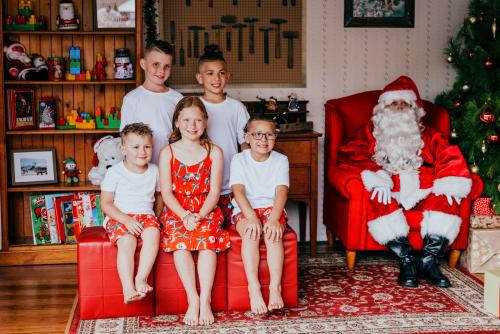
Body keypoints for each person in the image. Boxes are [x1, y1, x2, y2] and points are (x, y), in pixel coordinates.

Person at [338, 76, 472, 288]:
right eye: (394, 103)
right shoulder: (370, 132)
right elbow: (350, 154)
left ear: (414, 109)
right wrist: (375, 175)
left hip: (423, 191)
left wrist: (448, 180)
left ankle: (429, 262)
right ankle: (407, 261)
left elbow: (450, 157)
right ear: (383, 108)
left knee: (447, 196)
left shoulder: (430, 135)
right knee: (377, 194)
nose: (399, 108)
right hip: (391, 189)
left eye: (405, 104)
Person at [159, 96, 230, 326]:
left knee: (207, 241)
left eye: (197, 120)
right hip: (177, 210)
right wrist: (184, 216)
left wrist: (199, 215)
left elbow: (214, 192)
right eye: (186, 120)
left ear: (206, 122)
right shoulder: (167, 153)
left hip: (205, 208)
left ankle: (206, 298)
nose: (192, 125)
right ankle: (193, 298)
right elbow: (167, 194)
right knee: (180, 242)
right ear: (177, 122)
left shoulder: (215, 152)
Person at [230, 116, 289, 314]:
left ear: (275, 137)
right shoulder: (239, 159)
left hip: (271, 209)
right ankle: (253, 287)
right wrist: (251, 217)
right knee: (251, 233)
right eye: (257, 134)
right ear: (247, 137)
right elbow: (238, 191)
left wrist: (273, 219)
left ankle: (275, 287)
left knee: (273, 236)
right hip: (245, 209)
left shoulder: (281, 160)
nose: (263, 140)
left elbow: (281, 192)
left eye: (269, 135)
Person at [100, 123, 161, 304]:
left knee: (153, 233)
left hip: (146, 215)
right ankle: (128, 288)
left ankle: (141, 278)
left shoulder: (155, 171)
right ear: (123, 149)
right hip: (120, 215)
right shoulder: (115, 173)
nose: (142, 152)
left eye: (147, 147)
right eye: (135, 147)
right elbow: (106, 203)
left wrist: (156, 218)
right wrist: (125, 220)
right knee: (127, 241)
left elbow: (159, 196)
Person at [195, 44, 250, 225]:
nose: (216, 78)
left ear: (228, 76)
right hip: (200, 184)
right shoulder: (193, 106)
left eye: (221, 73)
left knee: (231, 225)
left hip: (230, 184)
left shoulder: (236, 107)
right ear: (200, 78)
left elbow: (245, 144)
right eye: (210, 73)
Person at [120, 39, 183, 165]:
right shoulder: (132, 99)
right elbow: (126, 139)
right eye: (156, 64)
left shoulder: (178, 99)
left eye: (167, 66)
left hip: (172, 166)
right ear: (143, 64)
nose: (161, 71)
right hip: (141, 169)